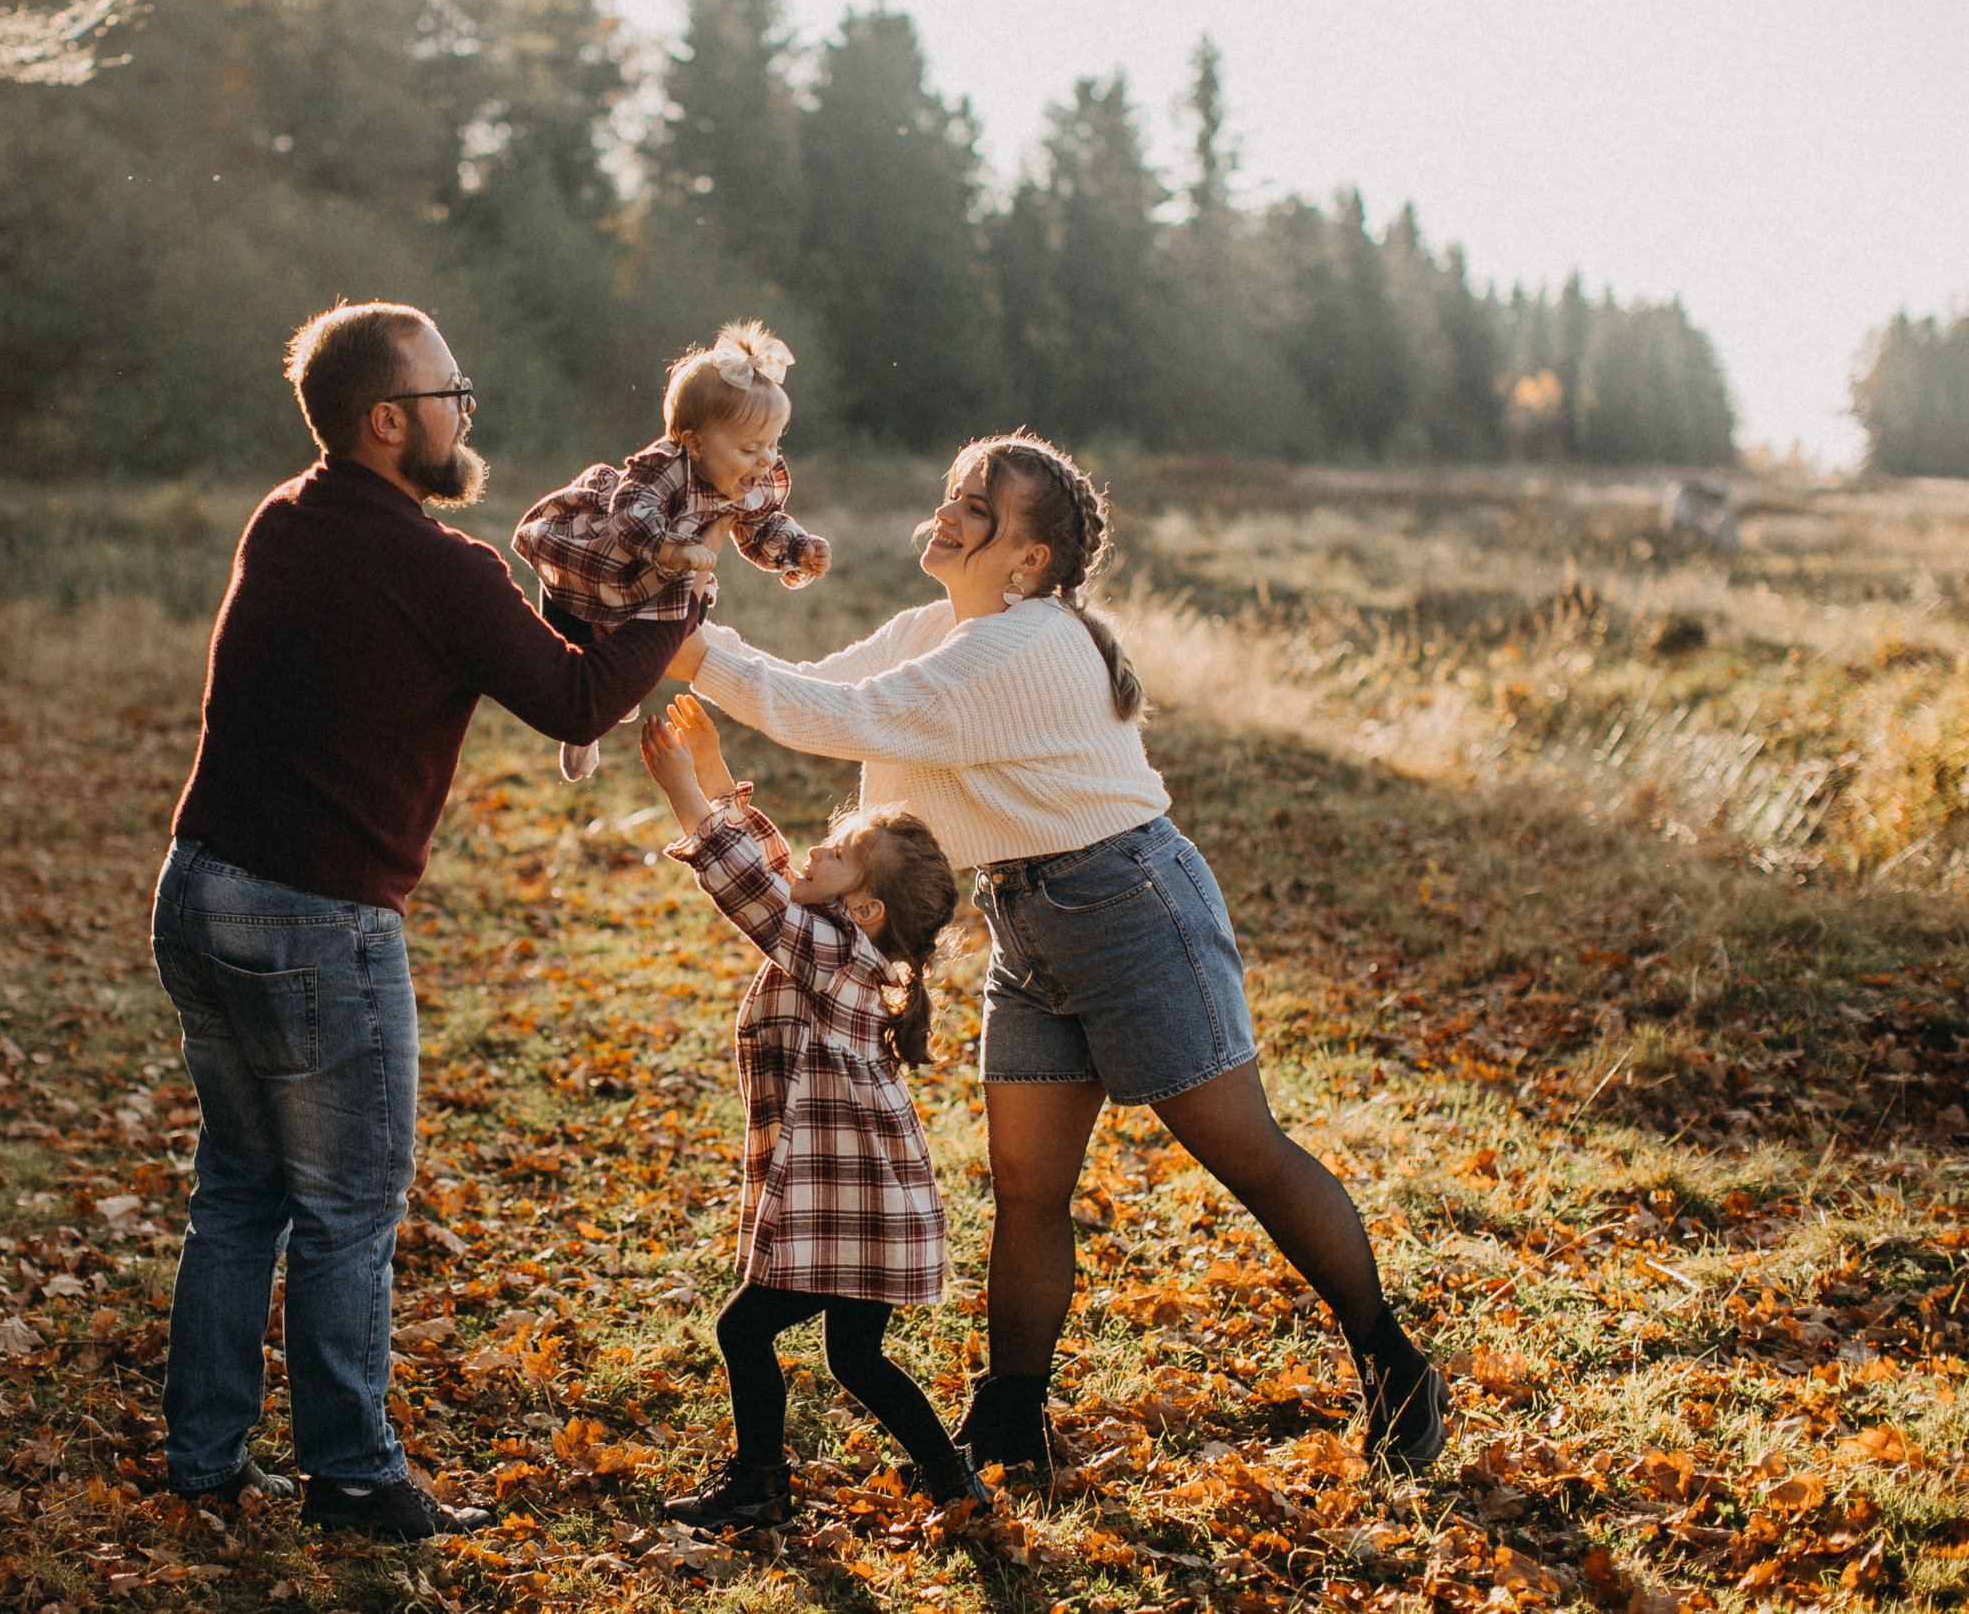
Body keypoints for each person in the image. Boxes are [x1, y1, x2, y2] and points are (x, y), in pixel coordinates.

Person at [670, 433, 1449, 1476]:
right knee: (1027, 1184)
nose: (947, 513)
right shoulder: (940, 628)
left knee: (1245, 1153)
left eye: (976, 506)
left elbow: (844, 717)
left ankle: (1393, 1361)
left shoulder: (1028, 642)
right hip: (1025, 915)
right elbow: (814, 685)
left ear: (1029, 559)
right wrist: (678, 626)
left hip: (1130, 909)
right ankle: (1010, 1419)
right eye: (952, 493)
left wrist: (680, 643)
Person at [151, 301, 703, 1539]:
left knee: (237, 1194)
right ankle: (352, 1476)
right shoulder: (436, 564)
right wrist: (680, 607)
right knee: (346, 1207)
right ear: (386, 421)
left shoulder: (286, 517)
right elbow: (575, 700)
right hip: (313, 923)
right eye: (449, 395)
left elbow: (522, 650)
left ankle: (204, 1464)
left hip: (199, 891)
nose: (466, 413)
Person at [636, 697, 990, 1530]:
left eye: (842, 852)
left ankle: (760, 1486)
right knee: (855, 1356)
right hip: (865, 1204)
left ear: (865, 909)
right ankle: (954, 1482)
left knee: (744, 1330)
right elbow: (777, 873)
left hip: (846, 1205)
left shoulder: (833, 952)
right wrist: (715, 774)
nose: (821, 846)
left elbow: (753, 894)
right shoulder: (846, 939)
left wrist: (684, 792)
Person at [512, 320, 830, 780]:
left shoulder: (751, 478)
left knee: (684, 621)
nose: (765, 460)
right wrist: (670, 547)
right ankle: (581, 730)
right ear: (695, 444)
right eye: (749, 448)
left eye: (773, 444)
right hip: (604, 558)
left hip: (661, 580)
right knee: (568, 626)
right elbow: (630, 512)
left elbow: (763, 525)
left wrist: (798, 548)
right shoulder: (665, 466)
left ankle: (622, 689)